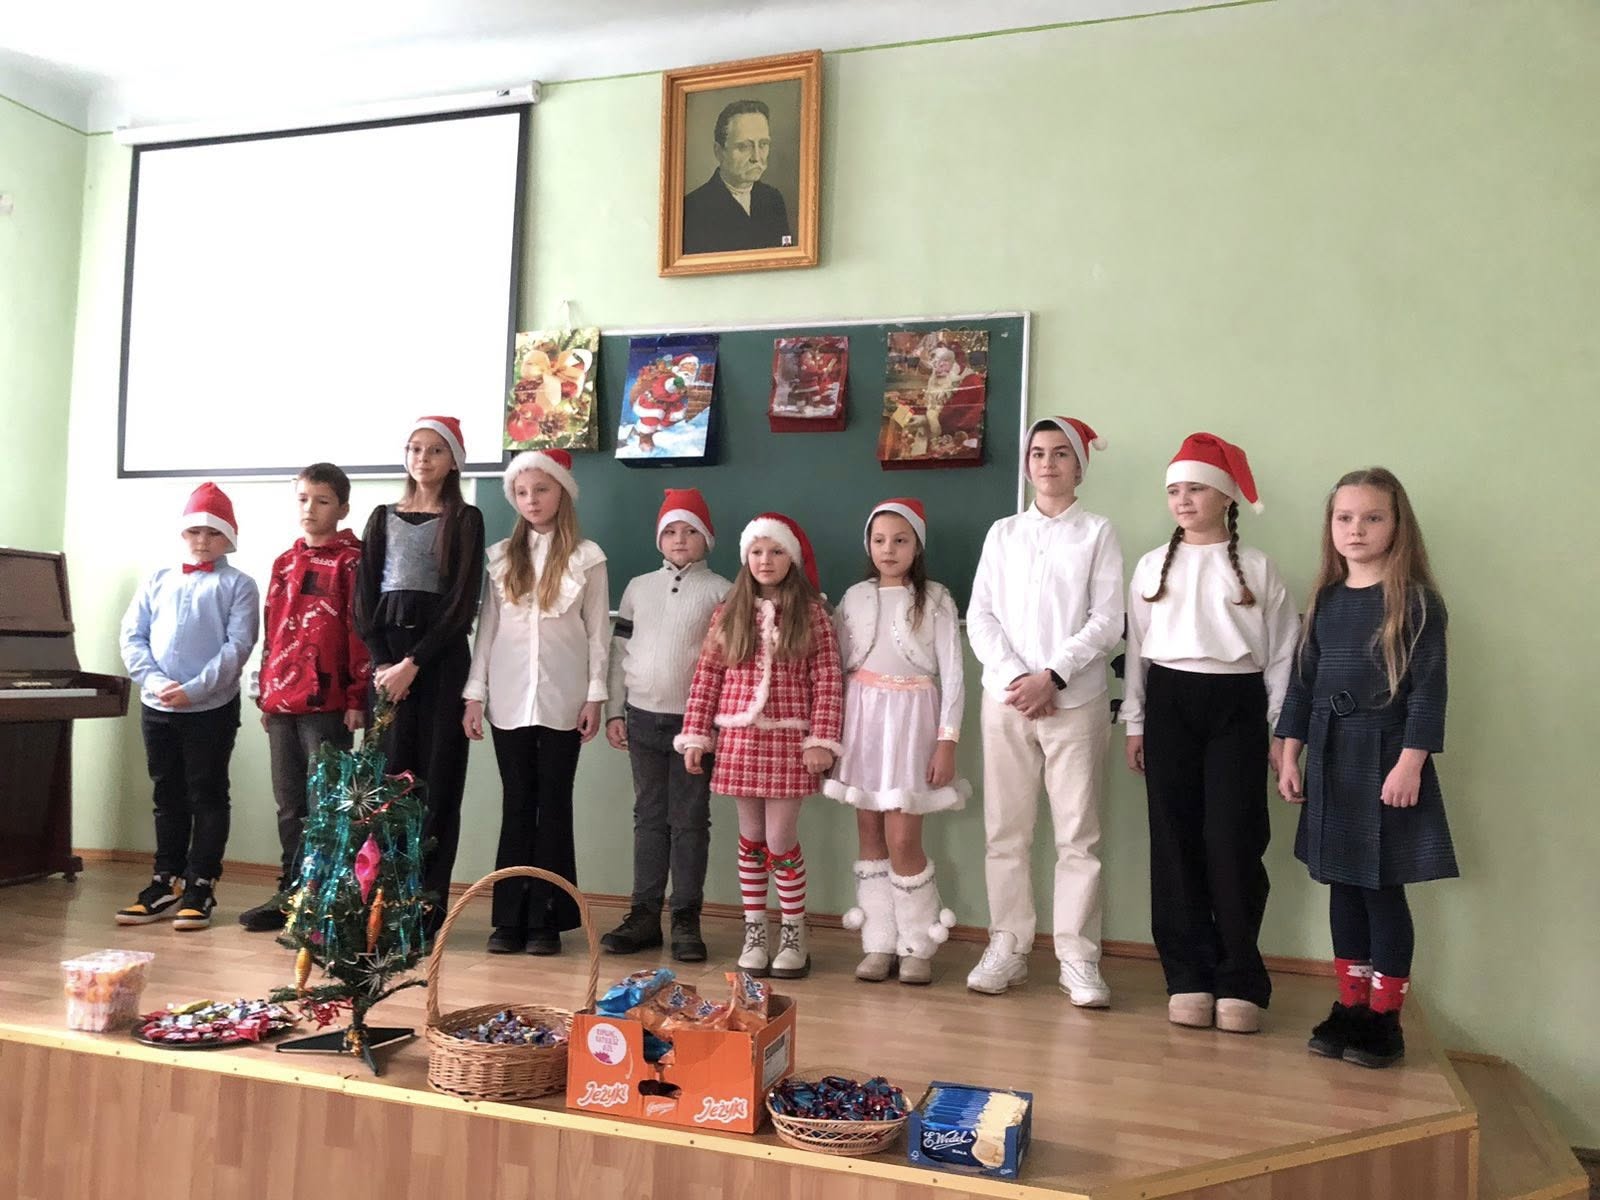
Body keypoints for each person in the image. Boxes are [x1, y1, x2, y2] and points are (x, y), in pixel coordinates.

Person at [1277, 468, 1455, 1069]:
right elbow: (1303, 685)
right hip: (1331, 759)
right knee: (1342, 885)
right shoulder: (1324, 601)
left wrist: (1411, 763)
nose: (1356, 529)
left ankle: (1384, 1019)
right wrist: (1290, 752)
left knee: (1380, 888)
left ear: (1397, 525)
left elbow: (1429, 692)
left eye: (1372, 517)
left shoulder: (1417, 603)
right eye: (1344, 518)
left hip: (1386, 761)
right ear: (1331, 526)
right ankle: (1350, 1007)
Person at [1122, 434, 1298, 1032]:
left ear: (1226, 496)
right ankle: (1187, 976)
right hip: (1170, 704)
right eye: (1174, 490)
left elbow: (1283, 653)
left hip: (1238, 707)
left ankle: (1240, 977)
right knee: (1174, 839)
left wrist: (1280, 728)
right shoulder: (1151, 566)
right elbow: (1138, 650)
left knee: (1233, 841)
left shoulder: (1260, 569)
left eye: (1195, 488)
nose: (1183, 499)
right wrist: (1135, 721)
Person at [964, 417, 1124, 1005]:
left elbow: (1107, 619)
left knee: (1078, 835)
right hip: (1006, 700)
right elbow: (981, 615)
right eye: (1037, 453)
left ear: (1079, 466)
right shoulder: (1003, 533)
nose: (1048, 464)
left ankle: (1078, 956)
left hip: (1074, 701)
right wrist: (1017, 678)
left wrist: (1052, 676)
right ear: (1027, 463)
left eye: (1060, 454)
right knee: (1005, 831)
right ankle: (1007, 944)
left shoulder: (1097, 532)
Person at [675, 513, 843, 979]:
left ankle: (793, 930)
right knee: (750, 839)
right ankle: (755, 929)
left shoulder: (813, 615)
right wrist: (696, 734)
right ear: (745, 558)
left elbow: (828, 679)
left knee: (780, 839)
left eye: (776, 551)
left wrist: (821, 739)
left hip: (790, 740)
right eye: (756, 552)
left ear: (793, 558)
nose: (765, 560)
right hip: (739, 739)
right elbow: (707, 676)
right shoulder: (729, 612)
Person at [463, 450, 608, 956]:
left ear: (562, 493)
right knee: (517, 803)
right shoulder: (501, 557)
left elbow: (598, 634)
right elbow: (487, 630)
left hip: (564, 699)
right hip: (507, 699)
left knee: (555, 803)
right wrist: (474, 694)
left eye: (541, 490)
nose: (532, 500)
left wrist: (596, 695)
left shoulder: (588, 558)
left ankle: (547, 918)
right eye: (522, 492)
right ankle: (509, 918)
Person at [826, 499, 969, 985]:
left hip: (913, 722)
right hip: (862, 720)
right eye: (880, 540)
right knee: (869, 833)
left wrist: (947, 741)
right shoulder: (854, 597)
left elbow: (954, 675)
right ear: (868, 544)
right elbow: (835, 666)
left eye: (901, 540)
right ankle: (878, 941)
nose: (889, 549)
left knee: (904, 837)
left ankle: (916, 944)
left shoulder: (937, 599)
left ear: (917, 547)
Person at [354, 416, 485, 932]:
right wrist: (386, 664)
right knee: (387, 786)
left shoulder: (466, 519)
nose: (422, 459)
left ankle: (425, 909)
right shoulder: (381, 518)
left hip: (440, 662)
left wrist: (415, 663)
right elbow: (364, 598)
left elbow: (460, 605)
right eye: (414, 449)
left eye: (434, 450)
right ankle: (379, 908)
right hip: (388, 668)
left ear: (453, 461)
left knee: (438, 783)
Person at [116, 483, 260, 930]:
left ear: (228, 538)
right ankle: (165, 881)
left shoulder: (239, 585)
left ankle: (201, 885)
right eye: (195, 531)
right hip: (158, 706)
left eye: (213, 533)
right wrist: (157, 683)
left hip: (210, 709)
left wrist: (194, 690)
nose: (202, 541)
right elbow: (132, 636)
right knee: (167, 794)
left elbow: (237, 647)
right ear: (183, 534)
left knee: (208, 794)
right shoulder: (158, 579)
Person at [601, 488, 733, 962]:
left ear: (707, 539)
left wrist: (715, 725)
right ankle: (643, 914)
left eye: (690, 531)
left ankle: (686, 917)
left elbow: (728, 663)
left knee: (690, 820)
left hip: (694, 726)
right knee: (649, 817)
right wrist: (615, 710)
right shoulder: (639, 587)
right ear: (659, 539)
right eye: (671, 531)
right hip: (641, 718)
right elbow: (620, 652)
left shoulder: (722, 591)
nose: (680, 539)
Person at [241, 463, 371, 932]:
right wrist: (266, 693)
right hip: (281, 700)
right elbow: (272, 631)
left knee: (327, 801)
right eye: (302, 499)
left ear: (343, 508)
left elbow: (359, 632)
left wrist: (358, 696)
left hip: (327, 702)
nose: (310, 508)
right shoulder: (284, 562)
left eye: (321, 500)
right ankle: (291, 891)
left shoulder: (353, 562)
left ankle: (325, 896)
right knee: (289, 802)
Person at [681, 99, 792, 254]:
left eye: (763, 144)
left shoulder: (773, 199)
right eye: (744, 146)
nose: (756, 157)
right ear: (719, 151)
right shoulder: (692, 209)